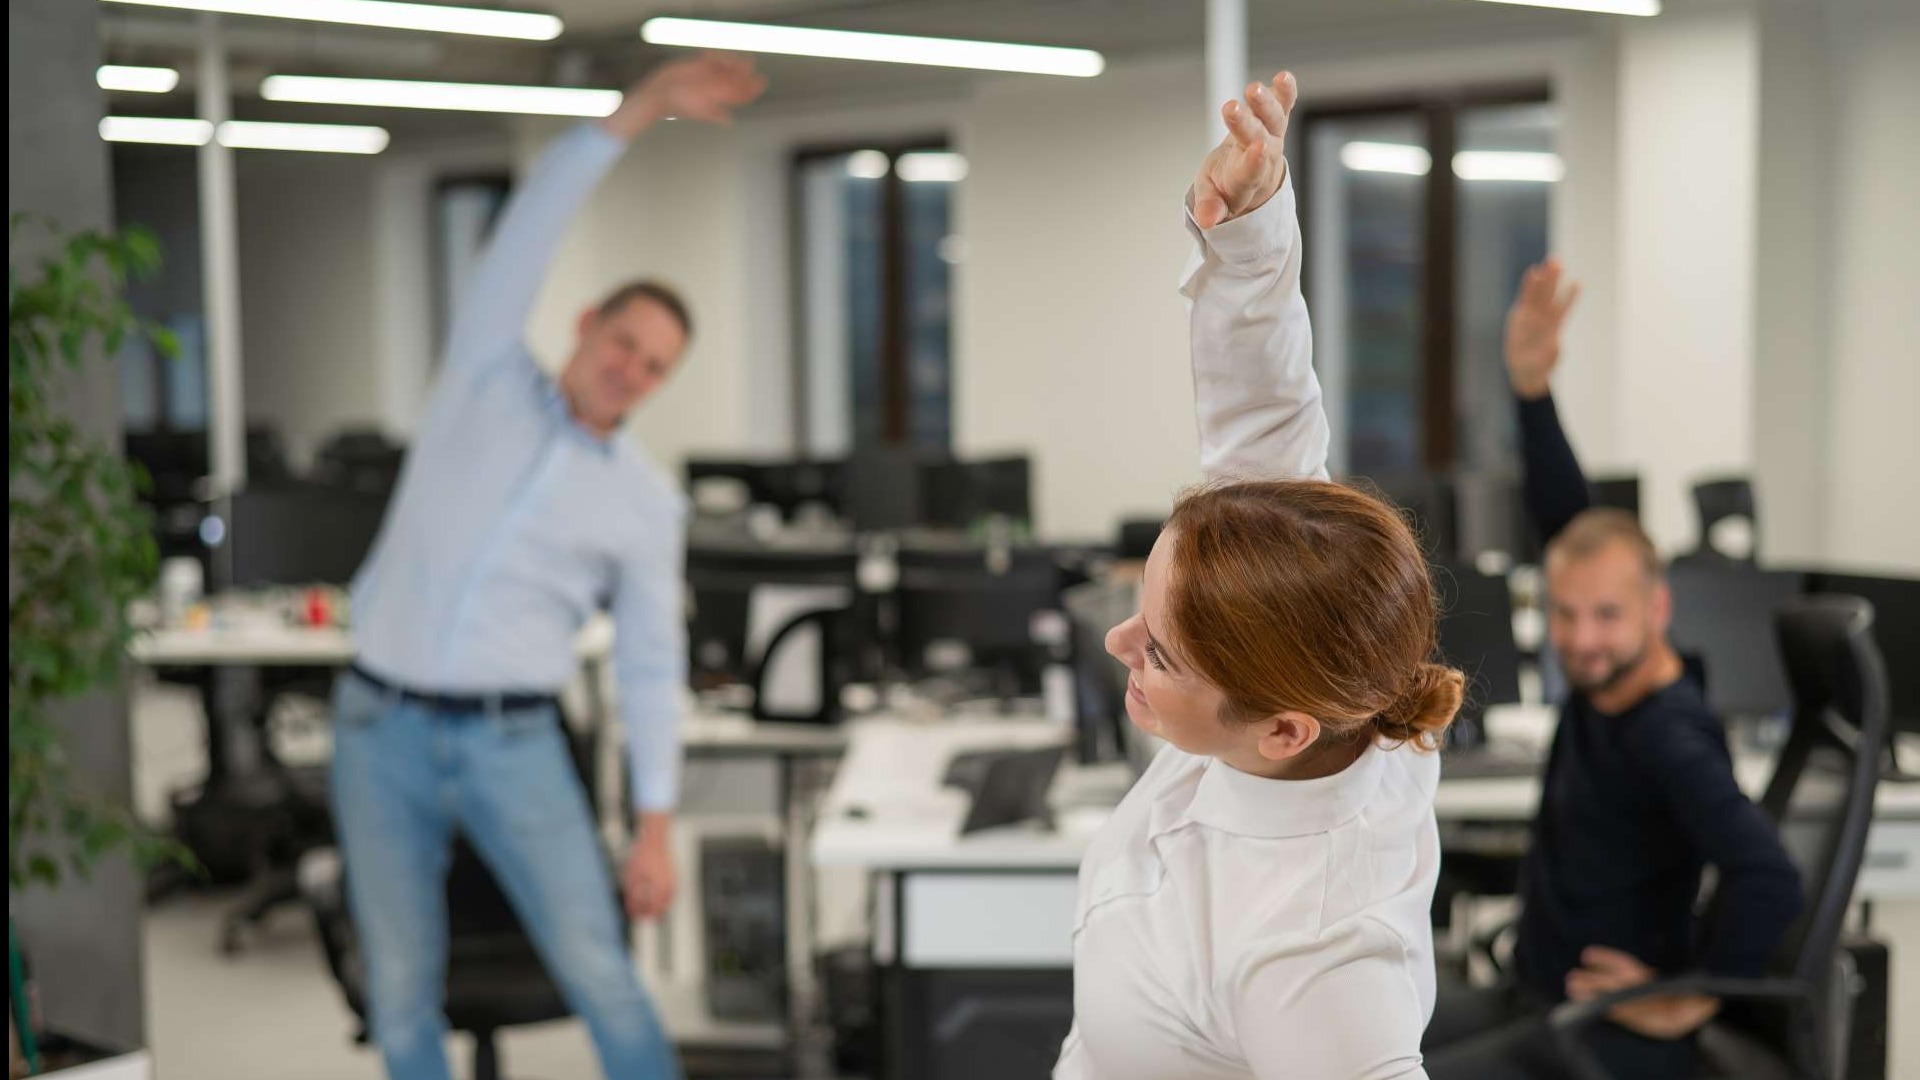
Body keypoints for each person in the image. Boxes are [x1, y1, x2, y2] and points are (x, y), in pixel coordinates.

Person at [328, 53, 766, 1080]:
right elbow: (528, 228)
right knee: (399, 993)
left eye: (655, 366)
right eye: (624, 341)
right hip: (375, 730)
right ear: (585, 326)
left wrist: (655, 828)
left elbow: (651, 668)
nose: (631, 369)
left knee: (603, 976)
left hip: (512, 745)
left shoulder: (642, 502)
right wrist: (642, 111)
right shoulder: (481, 376)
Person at [1052, 70, 1467, 1080]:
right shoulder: (1308, 691)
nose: (1120, 647)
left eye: (1159, 651)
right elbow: (1264, 427)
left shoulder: (1318, 952)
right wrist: (1252, 227)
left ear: (1282, 729)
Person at [1420, 260, 1804, 1079]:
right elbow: (1574, 530)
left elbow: (1768, 878)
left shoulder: (1668, 734)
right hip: (1539, 994)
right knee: (1348, 1047)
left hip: (1602, 1035)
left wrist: (1692, 998)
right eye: (1565, 613)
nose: (1582, 638)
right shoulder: (1611, 684)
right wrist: (1530, 389)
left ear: (1658, 609)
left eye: (1606, 616)